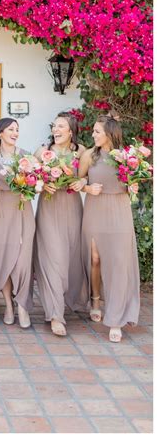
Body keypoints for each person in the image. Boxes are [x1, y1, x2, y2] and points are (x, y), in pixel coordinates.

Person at [79, 114, 140, 342]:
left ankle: (115, 320)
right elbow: (78, 181)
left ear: (110, 134)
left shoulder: (126, 157)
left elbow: (133, 182)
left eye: (97, 131)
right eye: (93, 131)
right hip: (95, 209)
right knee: (95, 258)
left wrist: (133, 184)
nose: (93, 135)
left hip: (119, 210)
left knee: (118, 262)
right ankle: (95, 299)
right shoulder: (89, 155)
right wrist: (87, 188)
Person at [33, 112, 87, 337]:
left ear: (71, 131)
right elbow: (31, 177)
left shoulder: (81, 152)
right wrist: (42, 184)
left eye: (61, 126)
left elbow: (88, 179)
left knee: (70, 258)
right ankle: (55, 315)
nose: (56, 130)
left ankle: (72, 300)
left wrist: (81, 181)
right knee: (52, 259)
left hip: (72, 209)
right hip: (49, 208)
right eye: (54, 126)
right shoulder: (43, 151)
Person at [0, 118, 35, 329]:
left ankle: (22, 304)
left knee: (22, 259)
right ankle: (8, 305)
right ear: (0, 133)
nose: (15, 133)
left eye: (17, 130)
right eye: (11, 129)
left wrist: (31, 188)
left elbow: (36, 182)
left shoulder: (26, 156)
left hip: (22, 209)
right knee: (3, 258)